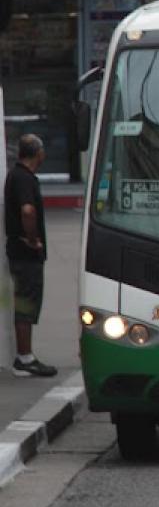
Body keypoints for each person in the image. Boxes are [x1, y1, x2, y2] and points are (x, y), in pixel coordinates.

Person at [4, 135, 56, 377]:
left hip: (18, 253)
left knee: (24, 303)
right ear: (37, 153)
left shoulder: (16, 175)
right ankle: (25, 357)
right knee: (26, 304)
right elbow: (27, 210)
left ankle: (25, 355)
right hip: (26, 256)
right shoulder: (24, 178)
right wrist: (34, 240)